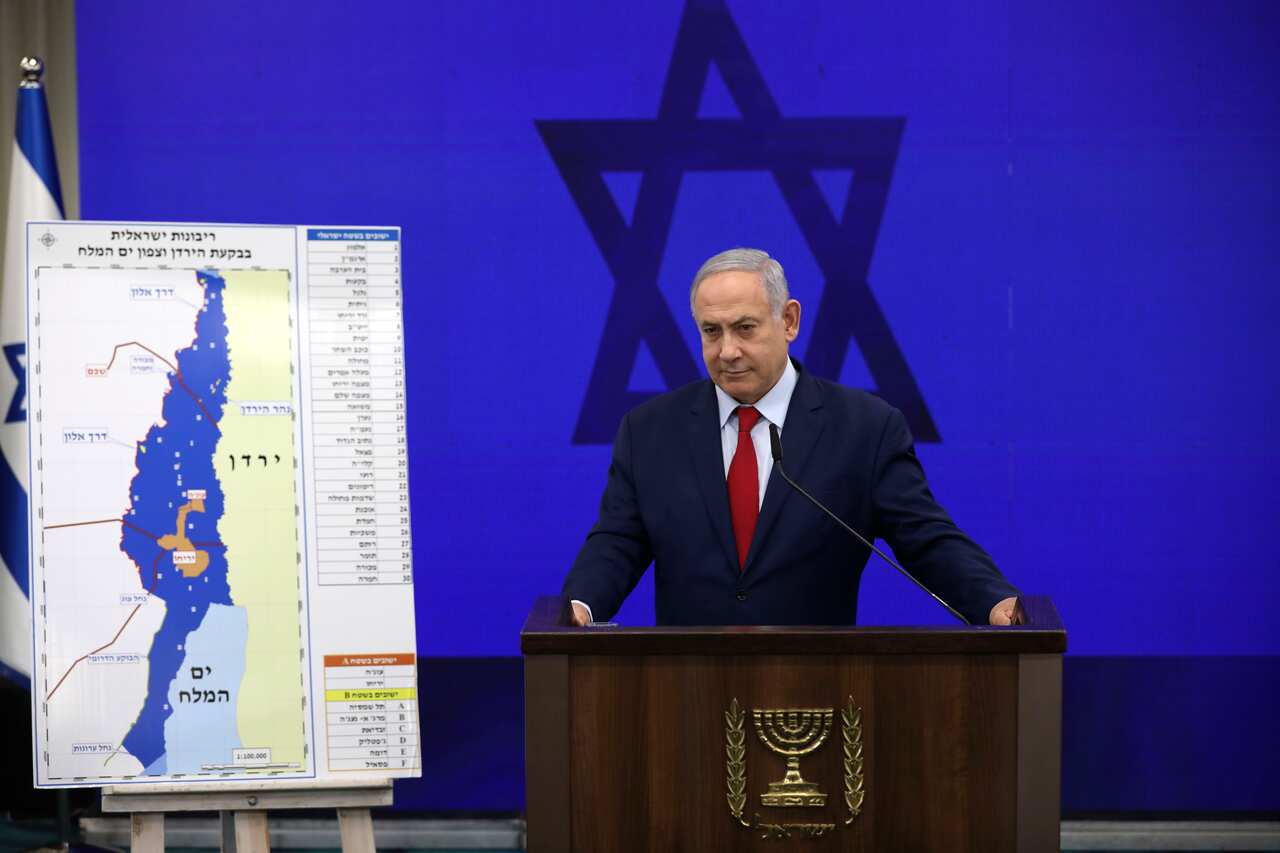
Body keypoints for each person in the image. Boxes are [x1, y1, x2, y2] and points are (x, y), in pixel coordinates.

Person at [561, 248, 1020, 627]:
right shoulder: (649, 431)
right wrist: (579, 608)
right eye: (711, 332)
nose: (727, 351)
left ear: (789, 321)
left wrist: (993, 601)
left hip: (818, 688)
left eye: (745, 328)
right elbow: (617, 542)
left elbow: (925, 538)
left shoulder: (865, 428)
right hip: (688, 685)